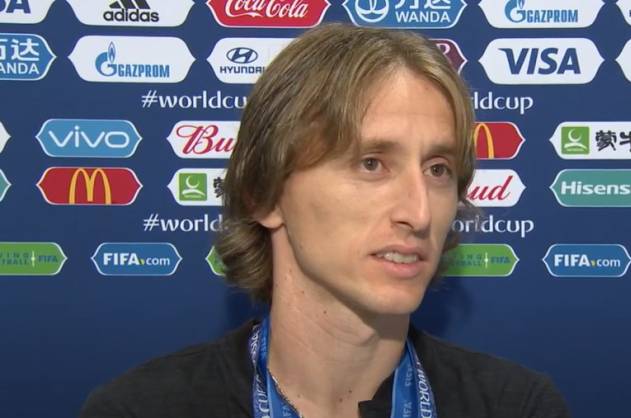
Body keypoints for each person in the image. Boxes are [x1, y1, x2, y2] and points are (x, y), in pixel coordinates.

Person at [80, 23, 571, 418]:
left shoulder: (517, 407)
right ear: (264, 194)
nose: (419, 213)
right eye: (372, 164)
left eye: (438, 170)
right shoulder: (141, 409)